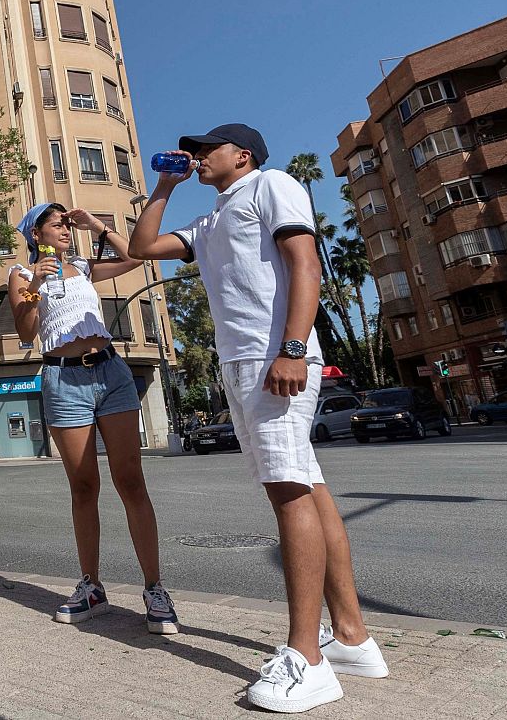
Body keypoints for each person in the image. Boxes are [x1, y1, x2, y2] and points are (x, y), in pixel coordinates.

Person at [128, 124, 388, 713]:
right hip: (241, 363)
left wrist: (293, 348)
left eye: (205, 151)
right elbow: (141, 248)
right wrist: (165, 184)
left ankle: (307, 660)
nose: (196, 158)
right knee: (307, 486)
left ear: (240, 155)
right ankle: (352, 636)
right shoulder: (210, 220)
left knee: (288, 494)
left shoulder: (272, 185)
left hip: (277, 358)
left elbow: (305, 264)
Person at [7, 203, 179, 635]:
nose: (66, 228)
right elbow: (26, 332)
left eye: (68, 223)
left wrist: (99, 225)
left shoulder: (84, 266)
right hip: (63, 381)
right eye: (57, 223)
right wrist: (36, 287)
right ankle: (92, 585)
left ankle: (155, 588)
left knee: (131, 481)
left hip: (110, 371)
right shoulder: (22, 275)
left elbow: (137, 257)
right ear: (36, 234)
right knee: (84, 486)